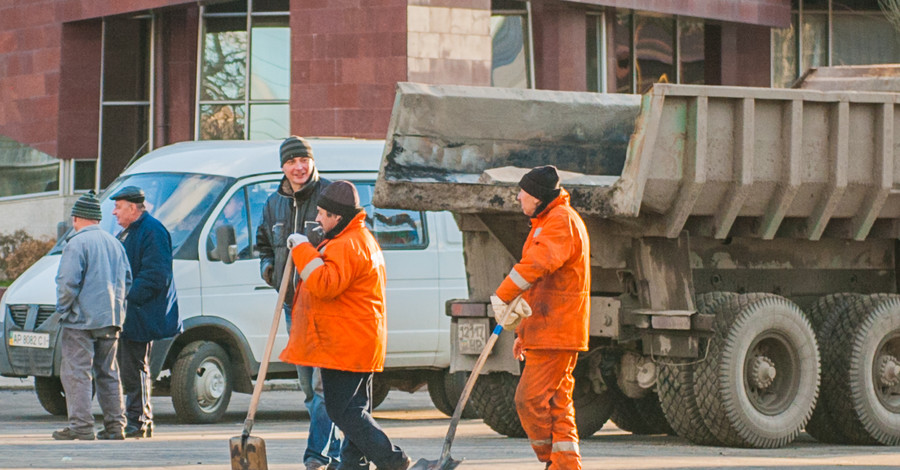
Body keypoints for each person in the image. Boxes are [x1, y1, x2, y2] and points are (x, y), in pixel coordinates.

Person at [281, 181, 411, 470]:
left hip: (346, 343)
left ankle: (393, 460)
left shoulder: (345, 245)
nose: (317, 218)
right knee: (356, 410)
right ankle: (354, 465)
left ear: (337, 217)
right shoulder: (361, 239)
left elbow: (324, 284)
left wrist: (303, 249)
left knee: (343, 411)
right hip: (360, 340)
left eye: (322, 213)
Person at [491, 166, 590, 470]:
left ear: (538, 196)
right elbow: (539, 285)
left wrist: (503, 294)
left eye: (523, 192)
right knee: (558, 405)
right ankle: (562, 465)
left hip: (557, 331)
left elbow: (536, 265)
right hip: (550, 329)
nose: (518, 196)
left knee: (529, 400)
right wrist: (524, 331)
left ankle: (552, 461)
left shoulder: (559, 221)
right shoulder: (549, 221)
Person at [256, 136, 341, 469]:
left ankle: (319, 454)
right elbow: (263, 243)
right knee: (307, 386)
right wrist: (268, 269)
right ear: (283, 167)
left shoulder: (331, 196)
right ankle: (332, 446)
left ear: (312, 162)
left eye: (303, 160)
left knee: (323, 386)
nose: (299, 167)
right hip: (293, 306)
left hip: (324, 304)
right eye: (292, 162)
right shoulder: (274, 203)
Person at [52, 191, 130, 440]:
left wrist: (62, 310)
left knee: (77, 372)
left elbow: (67, 283)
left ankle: (82, 427)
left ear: (76, 219)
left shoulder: (76, 243)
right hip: (111, 318)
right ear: (97, 219)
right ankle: (116, 426)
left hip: (81, 320)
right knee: (108, 372)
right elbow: (127, 280)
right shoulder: (115, 243)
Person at [111, 185, 182, 439]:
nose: (113, 212)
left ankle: (140, 421)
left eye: (118, 206)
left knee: (136, 367)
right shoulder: (129, 232)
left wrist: (125, 297)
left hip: (142, 312)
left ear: (133, 208)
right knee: (129, 367)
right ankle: (136, 419)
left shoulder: (152, 231)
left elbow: (156, 275)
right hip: (131, 311)